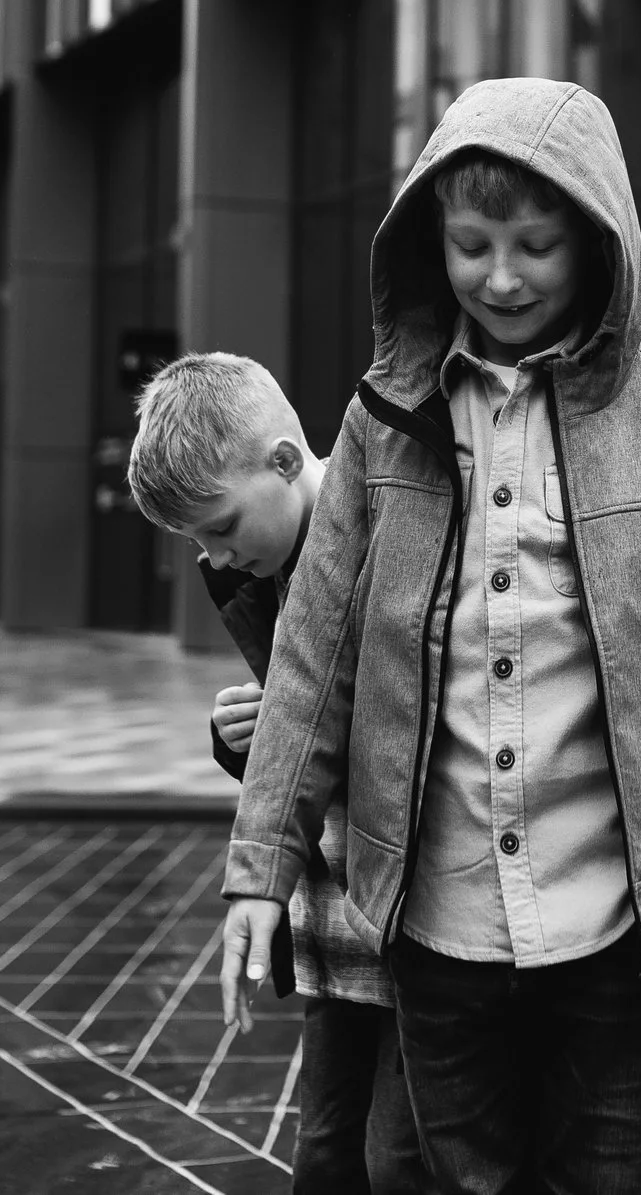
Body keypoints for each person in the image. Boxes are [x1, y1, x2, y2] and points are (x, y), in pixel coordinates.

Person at [218, 77, 641, 1192]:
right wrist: (260, 864)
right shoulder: (382, 420)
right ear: (431, 242)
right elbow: (314, 658)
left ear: (596, 236)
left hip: (620, 936)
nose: (504, 275)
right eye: (472, 243)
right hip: (439, 931)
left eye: (536, 242)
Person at [126, 353, 425, 1195]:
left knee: (400, 1156)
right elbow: (304, 729)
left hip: (417, 910)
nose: (216, 558)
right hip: (336, 918)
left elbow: (437, 709)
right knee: (327, 1152)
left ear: (286, 462)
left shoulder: (389, 533)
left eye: (220, 528)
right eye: (198, 543)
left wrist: (300, 719)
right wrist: (252, 736)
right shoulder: (265, 566)